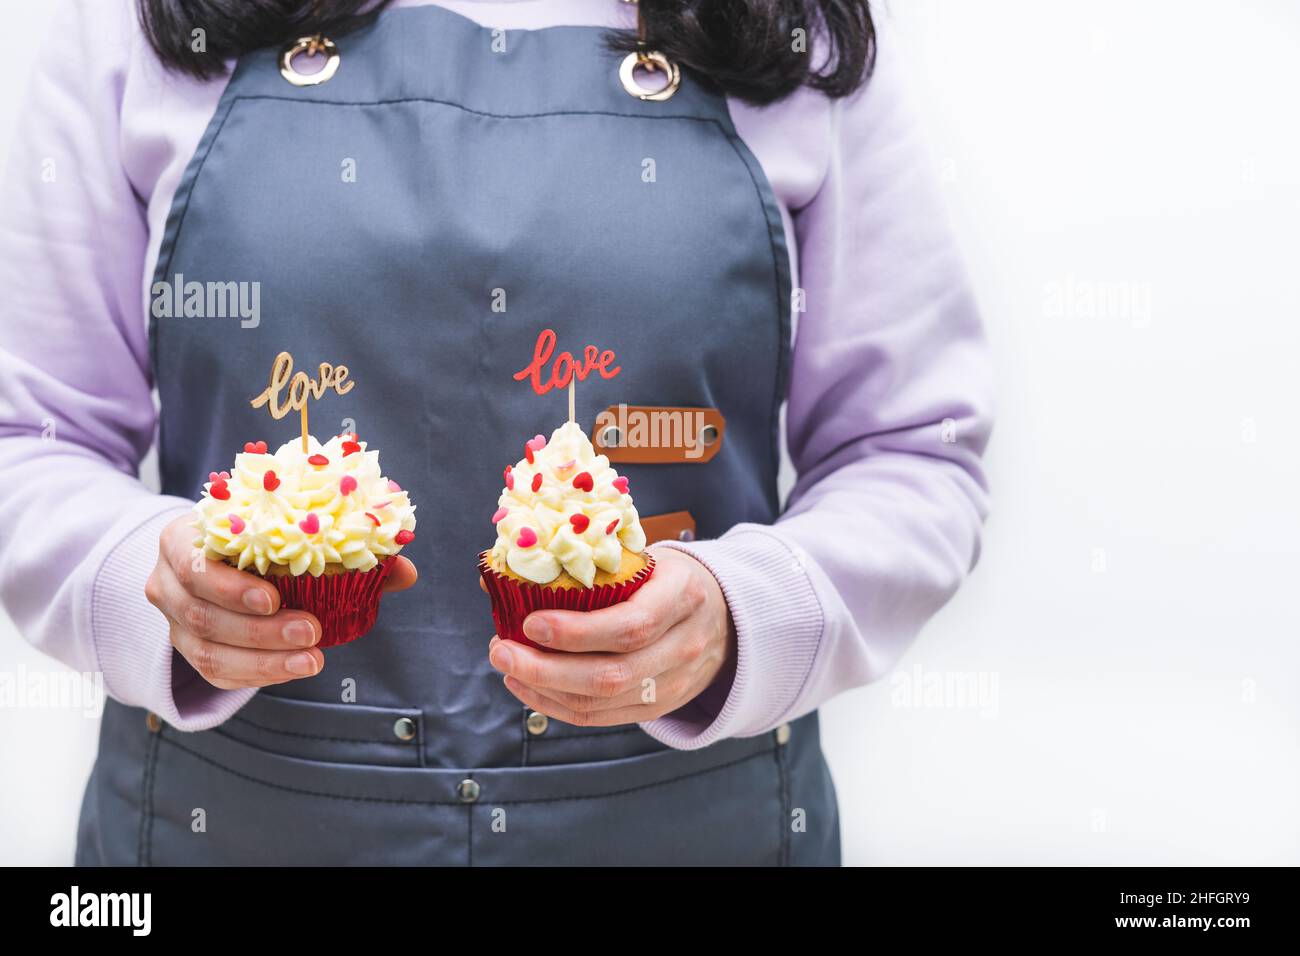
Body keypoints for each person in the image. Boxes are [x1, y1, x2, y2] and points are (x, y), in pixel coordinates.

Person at [0, 0, 992, 865]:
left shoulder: (794, 30)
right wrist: (150, 584)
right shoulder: (137, 22)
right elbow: (27, 431)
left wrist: (745, 617)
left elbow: (911, 447)